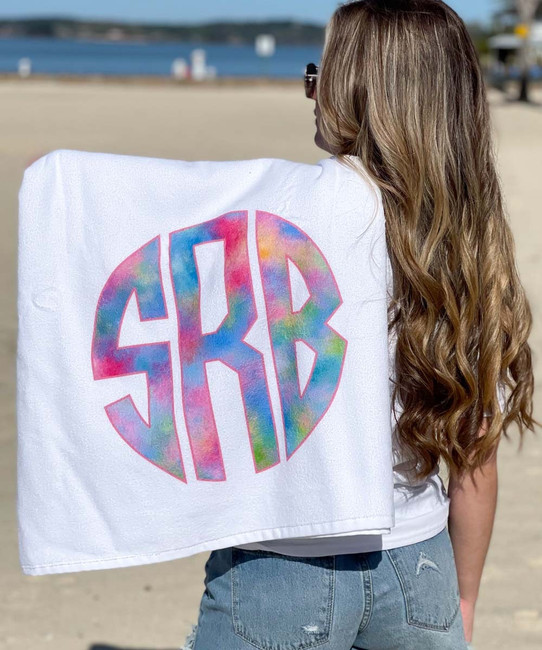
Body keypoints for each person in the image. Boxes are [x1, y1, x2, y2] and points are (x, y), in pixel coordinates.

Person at [183, 1, 538, 648]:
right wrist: (462, 595)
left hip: (280, 561)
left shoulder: (269, 224)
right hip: (419, 561)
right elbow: (475, 457)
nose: (310, 92)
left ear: (349, 90)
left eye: (318, 74)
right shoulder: (468, 241)